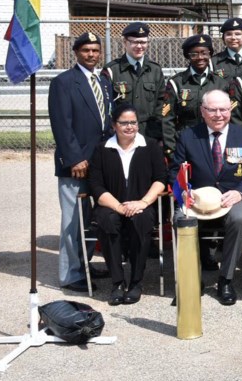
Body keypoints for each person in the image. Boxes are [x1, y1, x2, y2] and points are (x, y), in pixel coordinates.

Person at [170, 90, 242, 305]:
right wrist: (185, 191)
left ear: (230, 109)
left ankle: (226, 279)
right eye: (212, 110)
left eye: (223, 109)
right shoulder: (188, 136)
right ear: (202, 111)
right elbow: (176, 170)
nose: (218, 114)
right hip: (196, 201)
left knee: (241, 218)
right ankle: (193, 280)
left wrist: (240, 192)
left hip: (231, 199)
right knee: (180, 220)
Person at [48, 31, 112, 292]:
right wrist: (74, 158)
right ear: (76, 52)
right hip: (76, 166)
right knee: (73, 221)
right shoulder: (64, 82)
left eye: (95, 50)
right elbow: (62, 125)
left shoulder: (104, 81)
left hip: (101, 163)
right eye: (86, 50)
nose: (91, 54)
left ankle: (84, 263)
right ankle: (70, 274)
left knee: (90, 220)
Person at [88, 103, 168, 305]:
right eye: (124, 123)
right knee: (107, 221)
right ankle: (117, 283)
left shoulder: (150, 147)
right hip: (111, 205)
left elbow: (161, 179)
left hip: (142, 205)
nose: (130, 127)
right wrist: (119, 207)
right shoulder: (102, 150)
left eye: (133, 122)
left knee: (141, 221)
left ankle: (135, 283)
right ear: (114, 125)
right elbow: (96, 186)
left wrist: (142, 202)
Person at [161, 34, 230, 158]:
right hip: (185, 143)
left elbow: (229, 117)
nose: (200, 57)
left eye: (204, 53)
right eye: (194, 54)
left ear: (210, 54)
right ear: (188, 56)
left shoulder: (221, 83)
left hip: (215, 143)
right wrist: (171, 150)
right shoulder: (176, 83)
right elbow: (167, 120)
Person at [101, 21, 166, 142]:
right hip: (121, 135)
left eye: (143, 42)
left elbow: (161, 103)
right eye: (135, 42)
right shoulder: (112, 70)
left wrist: (157, 133)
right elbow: (106, 106)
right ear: (125, 43)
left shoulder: (155, 70)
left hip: (149, 134)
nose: (139, 46)